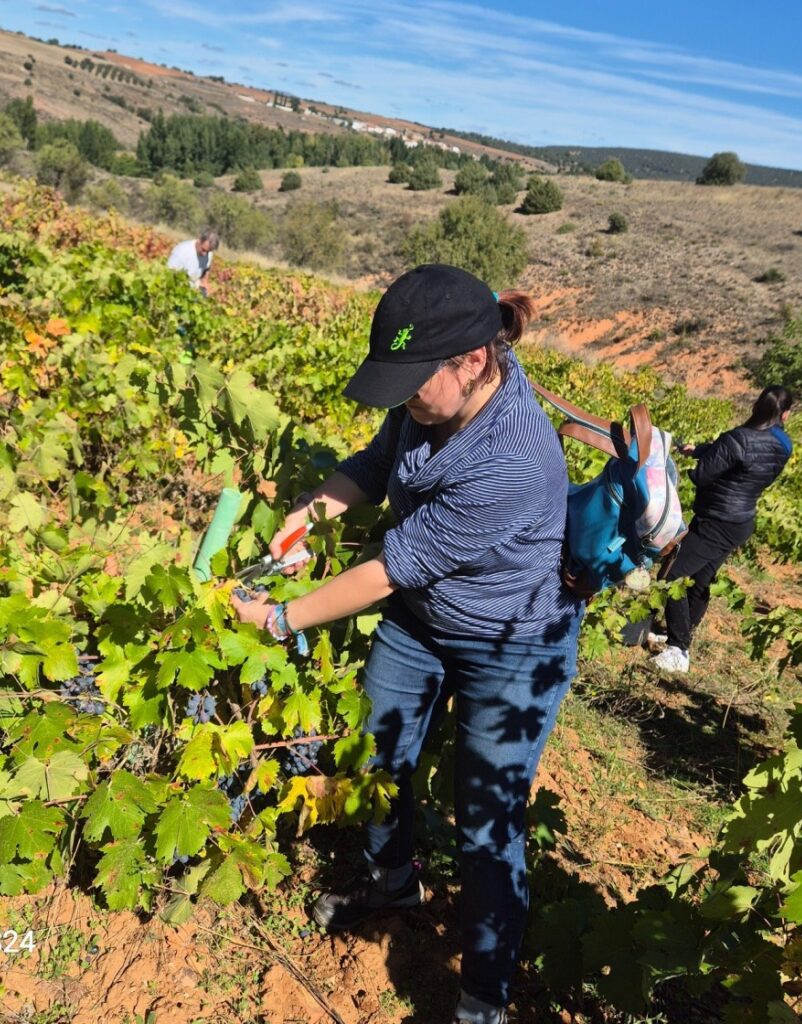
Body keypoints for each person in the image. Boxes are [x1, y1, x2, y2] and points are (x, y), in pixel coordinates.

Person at [231, 264, 584, 1024]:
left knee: (487, 822)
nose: (404, 400)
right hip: (427, 619)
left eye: (411, 383)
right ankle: (394, 880)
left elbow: (390, 570)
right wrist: (302, 523)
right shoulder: (426, 408)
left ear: (472, 362)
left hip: (510, 643)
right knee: (378, 755)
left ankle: (482, 997)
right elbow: (371, 466)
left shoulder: (514, 456)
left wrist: (281, 617)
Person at [650, 385, 794, 673]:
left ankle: (678, 649)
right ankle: (681, 634)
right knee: (701, 580)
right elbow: (740, 461)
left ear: (756, 405)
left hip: (715, 521)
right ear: (785, 415)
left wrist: (699, 462)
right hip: (740, 522)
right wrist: (704, 449)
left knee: (673, 575)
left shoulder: (737, 438)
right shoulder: (783, 444)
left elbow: (702, 476)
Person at [166, 228, 219, 295]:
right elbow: (168, 275)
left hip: (194, 290)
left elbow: (206, 271)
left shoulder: (209, 254)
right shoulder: (181, 252)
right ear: (199, 240)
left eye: (208, 251)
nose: (205, 254)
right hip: (178, 289)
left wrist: (205, 285)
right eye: (203, 250)